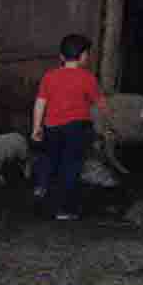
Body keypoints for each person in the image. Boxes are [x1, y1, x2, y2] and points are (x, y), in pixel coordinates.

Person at [31, 33, 106, 221]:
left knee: (49, 159)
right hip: (76, 128)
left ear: (61, 57)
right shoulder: (88, 78)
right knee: (70, 166)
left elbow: (40, 103)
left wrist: (36, 127)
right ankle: (64, 210)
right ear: (83, 57)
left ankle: (42, 185)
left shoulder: (49, 76)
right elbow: (101, 105)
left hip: (52, 126)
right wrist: (106, 125)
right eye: (87, 54)